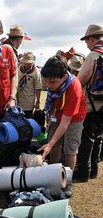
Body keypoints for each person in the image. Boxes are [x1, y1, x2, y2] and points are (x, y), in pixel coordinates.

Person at [39, 56, 87, 197]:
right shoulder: (53, 82)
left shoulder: (74, 88)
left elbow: (66, 123)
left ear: (64, 76)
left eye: (52, 82)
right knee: (53, 144)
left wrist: (49, 144)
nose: (48, 85)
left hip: (75, 117)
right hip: (57, 114)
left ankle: (67, 180)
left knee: (70, 148)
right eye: (45, 80)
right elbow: (52, 101)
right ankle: (53, 174)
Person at [73, 24, 103, 182]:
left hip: (91, 104)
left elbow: (80, 81)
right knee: (99, 137)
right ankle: (94, 170)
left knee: (87, 138)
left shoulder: (93, 56)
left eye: (87, 40)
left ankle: (84, 171)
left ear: (92, 39)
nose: (86, 43)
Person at [17, 51, 42, 117]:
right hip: (18, 100)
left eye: (29, 63)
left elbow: (38, 87)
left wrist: (38, 101)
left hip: (29, 101)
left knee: (27, 120)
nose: (27, 64)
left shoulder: (36, 71)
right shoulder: (18, 69)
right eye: (25, 63)